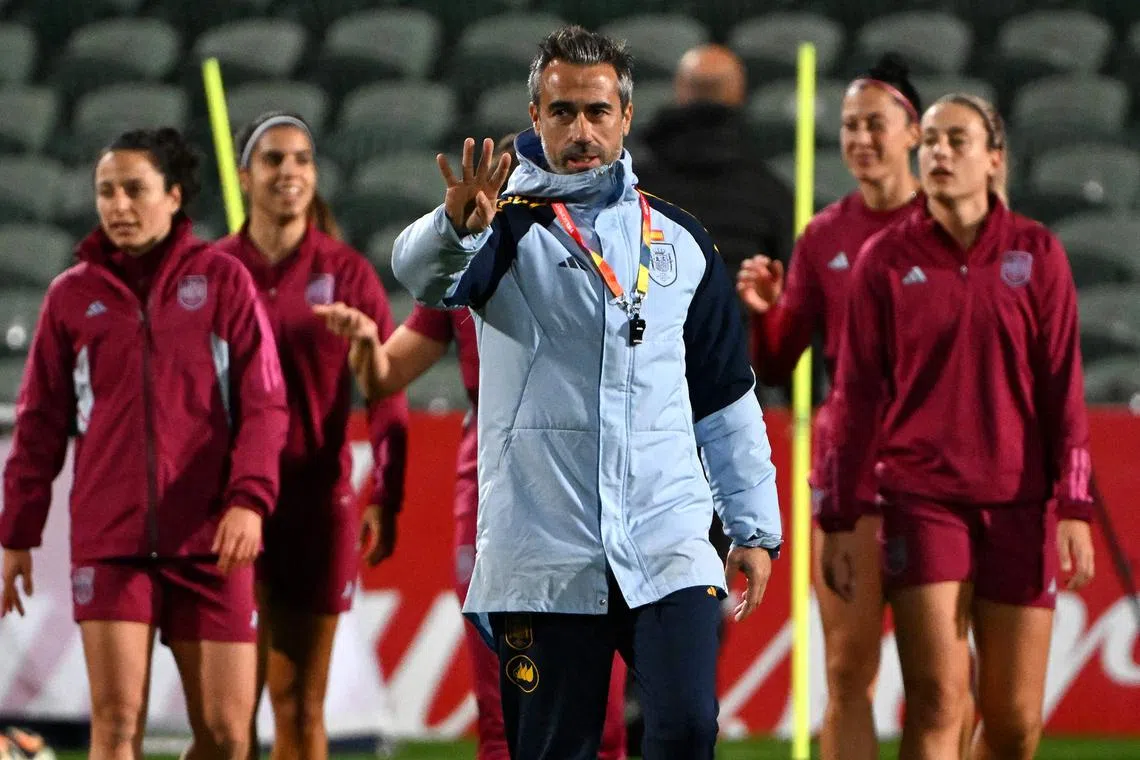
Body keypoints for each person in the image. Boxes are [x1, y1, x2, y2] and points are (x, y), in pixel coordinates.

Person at [391, 25, 782, 759]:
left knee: (688, 726)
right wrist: (452, 226)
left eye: (597, 112)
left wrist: (753, 528)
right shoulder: (501, 230)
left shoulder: (682, 240)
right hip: (545, 551)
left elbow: (726, 396)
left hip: (667, 544)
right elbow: (426, 279)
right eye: (562, 111)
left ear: (626, 118)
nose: (581, 130)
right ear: (534, 116)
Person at [315, 133, 629, 760]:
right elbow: (384, 376)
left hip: (587, 484)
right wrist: (360, 345)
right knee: (503, 711)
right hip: (491, 490)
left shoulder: (612, 257)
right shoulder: (469, 266)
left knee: (601, 715)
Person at [820, 93, 1096, 760]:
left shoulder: (1039, 254)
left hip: (1022, 508)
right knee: (940, 700)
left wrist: (1075, 504)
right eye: (932, 141)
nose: (939, 153)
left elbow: (1065, 389)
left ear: (994, 158)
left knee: (1014, 725)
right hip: (920, 502)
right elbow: (855, 399)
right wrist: (838, 515)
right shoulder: (885, 260)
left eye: (957, 141)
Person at [0, 127, 288, 760]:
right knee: (117, 723)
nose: (118, 205)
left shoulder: (224, 282)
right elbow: (39, 424)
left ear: (174, 195)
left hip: (212, 540)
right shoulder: (69, 297)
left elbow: (266, 406)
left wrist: (248, 501)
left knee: (228, 737)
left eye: (135, 190)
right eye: (106, 192)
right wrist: (16, 534)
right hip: (111, 544)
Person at [735, 54, 933, 760]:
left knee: (941, 682)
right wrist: (762, 314)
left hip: (943, 481)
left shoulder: (950, 227)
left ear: (914, 133)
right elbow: (778, 363)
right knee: (849, 673)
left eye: (875, 125)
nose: (860, 140)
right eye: (849, 127)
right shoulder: (824, 235)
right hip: (850, 483)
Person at [213, 111, 409, 760]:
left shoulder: (347, 272)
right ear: (246, 176)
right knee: (225, 717)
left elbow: (385, 387)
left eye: (301, 159)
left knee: (299, 706)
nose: (289, 171)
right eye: (273, 159)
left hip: (315, 511)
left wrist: (386, 488)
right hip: (229, 510)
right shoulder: (209, 272)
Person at [636, 45, 794, 290]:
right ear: (740, 94)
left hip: (654, 325)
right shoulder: (770, 192)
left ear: (680, 90)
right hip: (738, 324)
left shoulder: (634, 186)